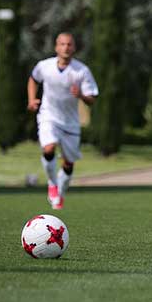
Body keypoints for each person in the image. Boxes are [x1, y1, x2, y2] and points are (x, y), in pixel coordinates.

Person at [27, 32, 98, 210]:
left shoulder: (81, 71)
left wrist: (80, 95)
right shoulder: (45, 66)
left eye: (69, 44)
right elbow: (33, 79)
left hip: (71, 123)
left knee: (68, 163)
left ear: (74, 48)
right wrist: (31, 99)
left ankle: (61, 193)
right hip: (48, 116)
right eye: (62, 44)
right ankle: (52, 184)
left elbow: (92, 98)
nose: (66, 48)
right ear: (56, 47)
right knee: (49, 148)